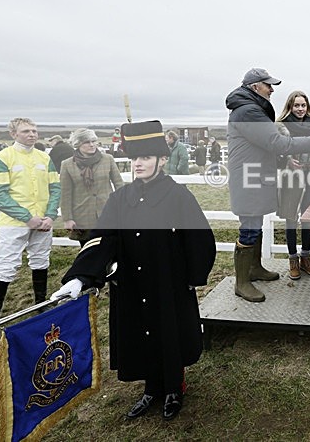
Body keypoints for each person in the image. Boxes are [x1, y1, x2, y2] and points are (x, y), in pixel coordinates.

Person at [51, 120, 216, 421]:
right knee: (141, 333)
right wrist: (81, 276)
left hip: (167, 281)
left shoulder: (178, 196)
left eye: (146, 158)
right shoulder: (121, 198)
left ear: (162, 160)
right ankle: (151, 389)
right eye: (135, 158)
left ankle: (173, 389)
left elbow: (200, 238)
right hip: (132, 282)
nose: (138, 163)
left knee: (168, 333)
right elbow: (102, 238)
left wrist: (193, 277)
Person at [226, 67, 310, 302]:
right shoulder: (249, 111)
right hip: (249, 179)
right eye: (267, 85)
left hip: (254, 176)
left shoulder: (249, 109)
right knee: (249, 227)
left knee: (255, 223)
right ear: (254, 87)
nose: (271, 89)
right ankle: (242, 282)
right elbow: (276, 142)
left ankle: (254, 269)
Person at [0, 118, 61, 344]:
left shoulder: (45, 158)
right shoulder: (0, 158)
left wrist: (50, 215)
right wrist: (27, 218)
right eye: (26, 131)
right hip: (14, 224)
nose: (32, 134)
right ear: (13, 134)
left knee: (41, 261)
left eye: (35, 130)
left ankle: (41, 307)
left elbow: (55, 188)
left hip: (43, 221)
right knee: (6, 267)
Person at [276, 91, 310, 280]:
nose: (300, 109)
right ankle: (292, 260)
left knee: (307, 217)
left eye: (303, 105)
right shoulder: (281, 127)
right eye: (296, 105)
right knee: (291, 217)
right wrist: (287, 160)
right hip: (292, 177)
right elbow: (276, 150)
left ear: (307, 106)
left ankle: (306, 257)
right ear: (290, 106)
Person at [59, 128, 125, 245]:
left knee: (111, 250)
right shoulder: (67, 164)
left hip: (108, 213)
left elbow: (119, 185)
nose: (92, 145)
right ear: (78, 144)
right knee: (88, 252)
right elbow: (65, 194)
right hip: (82, 217)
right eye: (87, 142)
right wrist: (67, 219)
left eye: (93, 141)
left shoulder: (107, 159)